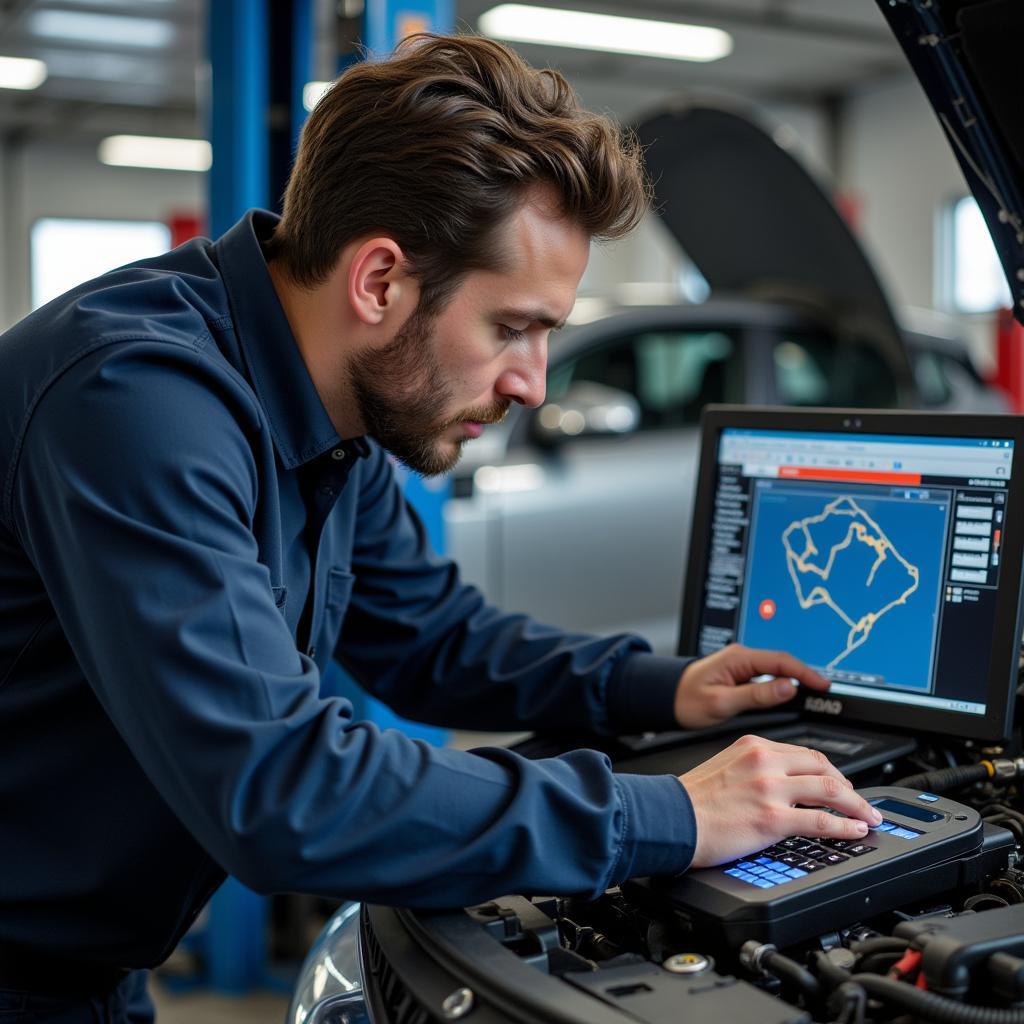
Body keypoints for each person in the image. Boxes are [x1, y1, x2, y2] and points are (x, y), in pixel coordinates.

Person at [0, 33, 881, 1022]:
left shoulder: (325, 410)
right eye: (512, 328)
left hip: (85, 970)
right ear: (379, 282)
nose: (532, 382)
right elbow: (278, 787)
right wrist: (670, 815)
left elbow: (431, 635)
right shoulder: (134, 399)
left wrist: (660, 685)